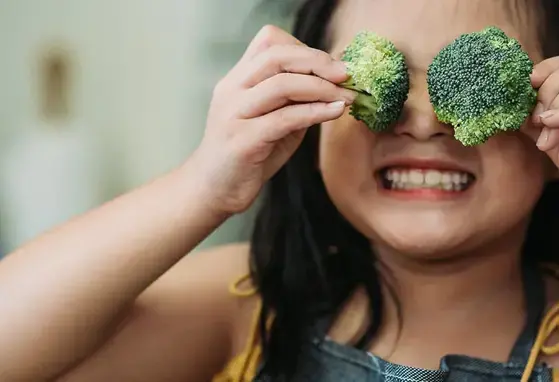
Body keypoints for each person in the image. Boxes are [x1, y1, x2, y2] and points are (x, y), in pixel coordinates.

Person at [3, 0, 559, 380]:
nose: (422, 121)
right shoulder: (250, 302)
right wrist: (200, 187)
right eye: (366, 79)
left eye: (476, 83)